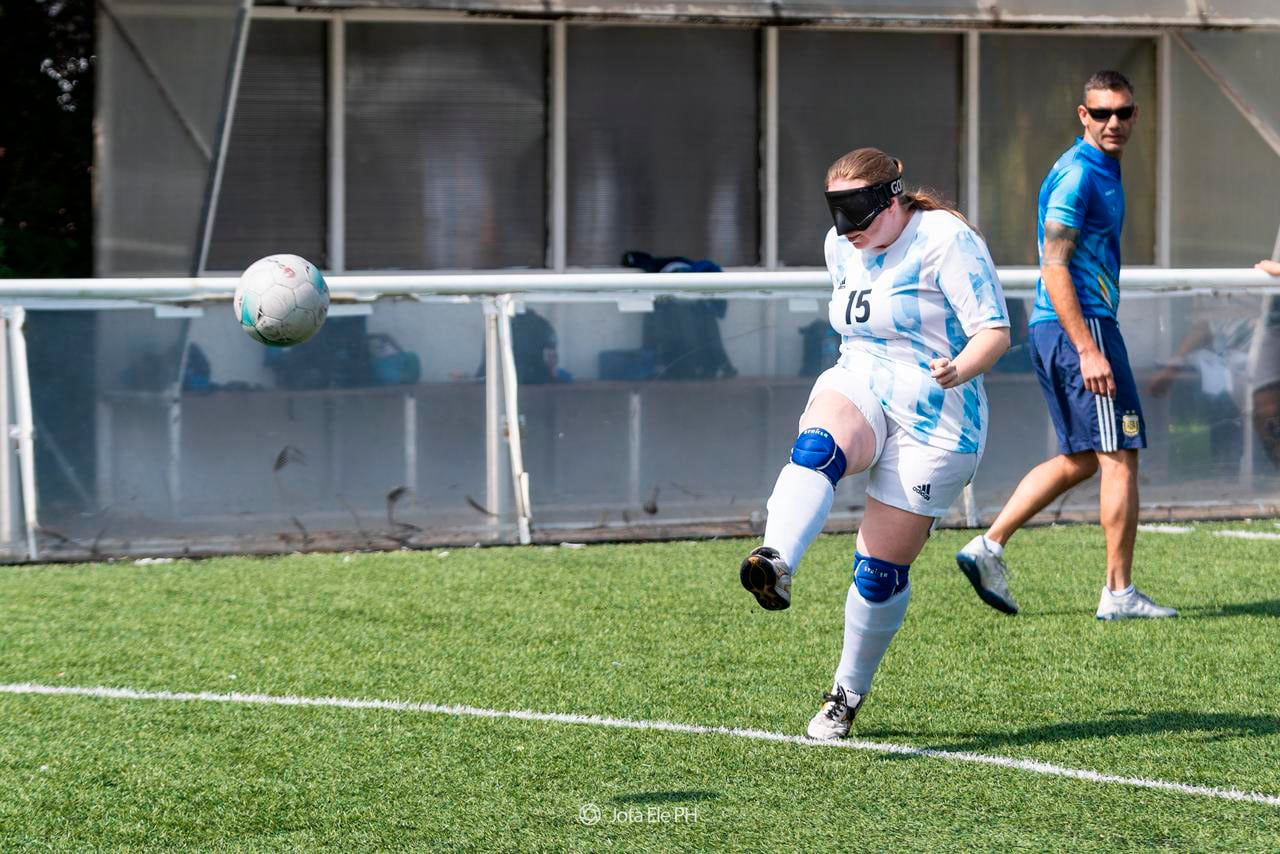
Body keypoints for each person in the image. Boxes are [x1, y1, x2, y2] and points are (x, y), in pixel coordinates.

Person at [739, 147, 1010, 740]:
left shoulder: (945, 239)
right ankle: (775, 560)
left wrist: (959, 368)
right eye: (837, 214)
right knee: (817, 448)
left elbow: (994, 331)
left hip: (937, 414)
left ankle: (845, 694)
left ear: (892, 197)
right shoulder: (840, 246)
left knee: (878, 574)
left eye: (858, 213)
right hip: (862, 379)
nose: (847, 230)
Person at [955, 70, 1177, 620]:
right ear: (1084, 115)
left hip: (1065, 329)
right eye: (1101, 112)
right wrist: (1088, 348)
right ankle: (1119, 594)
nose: (1113, 122)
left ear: (1135, 114)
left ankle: (988, 546)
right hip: (1081, 328)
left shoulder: (1099, 168)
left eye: (1123, 112)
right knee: (1120, 455)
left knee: (1080, 459)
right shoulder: (1079, 175)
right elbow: (1054, 266)